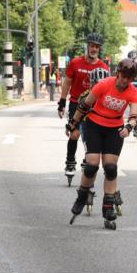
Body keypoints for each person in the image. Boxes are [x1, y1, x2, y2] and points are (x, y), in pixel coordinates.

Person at [66, 58, 137, 230]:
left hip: (114, 129)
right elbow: (85, 105)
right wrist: (73, 123)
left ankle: (108, 206)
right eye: (123, 77)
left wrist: (129, 127)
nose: (125, 81)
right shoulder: (103, 85)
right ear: (117, 74)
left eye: (129, 78)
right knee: (92, 165)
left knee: (110, 168)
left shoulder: (133, 92)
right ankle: (82, 195)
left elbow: (134, 115)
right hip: (94, 125)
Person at [57, 33, 111, 181]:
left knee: (91, 135)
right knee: (74, 134)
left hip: (93, 105)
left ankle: (87, 159)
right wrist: (62, 102)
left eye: (97, 47)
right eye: (92, 46)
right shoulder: (75, 63)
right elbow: (67, 83)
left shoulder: (103, 67)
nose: (94, 49)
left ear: (99, 49)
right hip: (76, 102)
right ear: (87, 46)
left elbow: (107, 89)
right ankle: (70, 161)